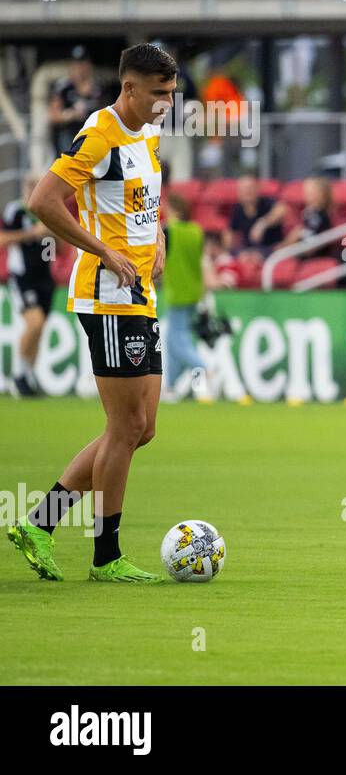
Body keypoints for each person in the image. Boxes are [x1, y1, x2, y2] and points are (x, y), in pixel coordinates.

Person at [8, 42, 178, 584]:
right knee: (125, 424)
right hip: (106, 295)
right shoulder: (99, 135)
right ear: (130, 88)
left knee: (140, 428)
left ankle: (40, 523)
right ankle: (106, 555)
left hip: (139, 293)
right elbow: (43, 201)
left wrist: (159, 238)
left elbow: (148, 197)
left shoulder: (147, 131)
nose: (166, 105)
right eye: (158, 95)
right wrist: (103, 250)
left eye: (171, 95)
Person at [2, 174, 53, 397]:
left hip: (45, 277)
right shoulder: (16, 211)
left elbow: (52, 250)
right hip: (23, 277)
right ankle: (19, 375)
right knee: (35, 323)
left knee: (39, 329)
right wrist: (33, 233)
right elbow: (3, 240)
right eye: (32, 186)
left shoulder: (49, 210)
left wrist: (53, 234)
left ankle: (29, 376)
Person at [160, 194, 211, 402]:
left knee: (178, 341)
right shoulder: (196, 231)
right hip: (194, 290)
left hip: (177, 290)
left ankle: (203, 368)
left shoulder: (170, 231)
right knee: (174, 342)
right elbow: (201, 261)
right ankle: (171, 387)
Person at [47, 45, 108, 158]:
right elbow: (53, 116)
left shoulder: (98, 87)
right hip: (68, 136)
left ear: (89, 65)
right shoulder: (63, 87)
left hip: (91, 136)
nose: (79, 68)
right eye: (76, 64)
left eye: (83, 64)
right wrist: (71, 115)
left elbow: (106, 116)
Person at [224, 173, 286, 256]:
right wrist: (227, 250)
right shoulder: (238, 208)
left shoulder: (267, 202)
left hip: (269, 250)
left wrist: (263, 224)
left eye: (250, 188)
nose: (246, 192)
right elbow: (230, 231)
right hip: (247, 251)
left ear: (257, 189)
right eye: (242, 189)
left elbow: (282, 210)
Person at [279, 175, 336, 257]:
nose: (305, 194)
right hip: (298, 251)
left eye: (310, 192)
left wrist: (294, 238)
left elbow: (311, 245)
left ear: (321, 194)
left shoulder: (321, 216)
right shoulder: (308, 212)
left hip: (311, 256)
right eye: (305, 191)